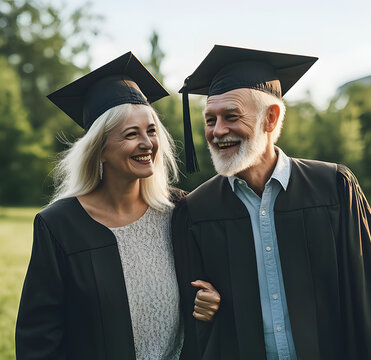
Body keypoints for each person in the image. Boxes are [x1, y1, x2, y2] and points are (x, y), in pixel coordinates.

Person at [173, 45, 371, 360]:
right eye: (210, 120)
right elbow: (193, 316)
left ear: (270, 118)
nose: (217, 131)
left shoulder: (333, 189)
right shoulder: (198, 209)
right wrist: (200, 306)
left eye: (231, 116)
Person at [15, 52, 221, 360]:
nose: (147, 143)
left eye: (151, 131)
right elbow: (39, 337)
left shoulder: (178, 210)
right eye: (130, 134)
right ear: (99, 151)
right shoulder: (61, 226)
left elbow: (212, 284)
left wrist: (211, 299)